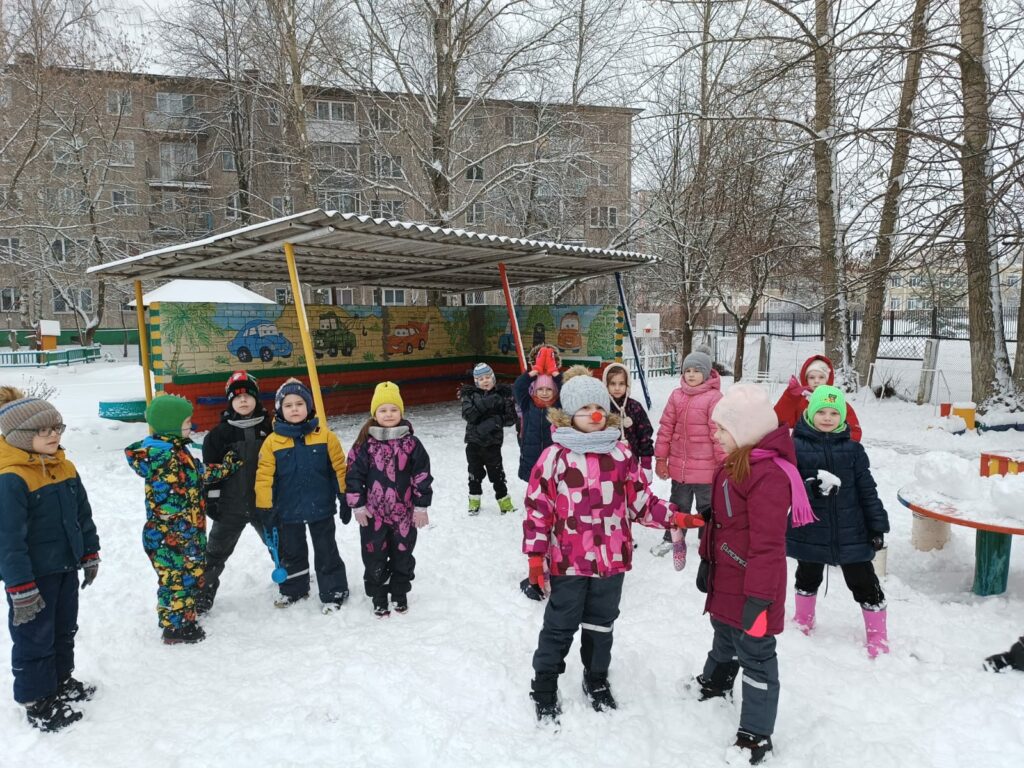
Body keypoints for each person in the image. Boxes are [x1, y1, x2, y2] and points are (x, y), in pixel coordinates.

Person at [523, 367, 705, 723]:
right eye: (583, 408)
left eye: (598, 407)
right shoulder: (554, 459)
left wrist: (675, 516)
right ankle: (544, 682)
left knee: (601, 623)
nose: (593, 415)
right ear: (567, 415)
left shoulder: (621, 455)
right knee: (560, 623)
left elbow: (640, 502)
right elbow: (537, 512)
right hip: (569, 561)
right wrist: (535, 557)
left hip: (611, 560)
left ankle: (596, 677)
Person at [695, 383, 814, 765]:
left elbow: (767, 546)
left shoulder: (769, 476)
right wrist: (705, 559)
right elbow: (721, 523)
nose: (715, 434)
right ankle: (716, 682)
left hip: (753, 585)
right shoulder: (737, 463)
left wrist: (760, 599)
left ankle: (756, 735)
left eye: (722, 429)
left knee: (757, 656)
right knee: (724, 634)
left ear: (744, 430)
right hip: (727, 576)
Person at [0, 388, 100, 732]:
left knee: (62, 629)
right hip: (32, 577)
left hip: (64, 568)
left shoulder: (64, 466)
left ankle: (59, 681)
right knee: (34, 637)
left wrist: (89, 552)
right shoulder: (11, 477)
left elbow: (81, 515)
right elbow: (7, 539)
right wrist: (20, 587)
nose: (55, 435)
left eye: (58, 427)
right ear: (22, 437)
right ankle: (37, 699)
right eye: (45, 430)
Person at [125, 394, 240, 644]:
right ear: (171, 425)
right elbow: (180, 495)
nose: (191, 426)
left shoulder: (174, 451)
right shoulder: (165, 458)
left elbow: (198, 472)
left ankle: (174, 618)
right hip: (172, 535)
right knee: (178, 579)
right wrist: (186, 537)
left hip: (182, 532)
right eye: (187, 422)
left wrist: (227, 467)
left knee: (178, 578)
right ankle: (177, 630)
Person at [787, 385, 890, 658]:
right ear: (810, 413)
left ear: (842, 416)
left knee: (864, 582)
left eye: (834, 412)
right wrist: (810, 487)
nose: (828, 417)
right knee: (807, 576)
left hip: (851, 530)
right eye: (821, 411)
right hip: (811, 528)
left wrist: (877, 525)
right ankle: (803, 622)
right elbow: (786, 486)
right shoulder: (795, 446)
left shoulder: (853, 450)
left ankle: (878, 636)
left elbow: (867, 489)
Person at [255, 378, 350, 613]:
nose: (294, 409)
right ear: (280, 410)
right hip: (287, 510)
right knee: (292, 552)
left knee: (326, 550)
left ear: (309, 407)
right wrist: (265, 508)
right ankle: (294, 589)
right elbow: (264, 477)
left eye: (299, 403)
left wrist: (344, 496)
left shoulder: (325, 437)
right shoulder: (271, 443)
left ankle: (334, 590)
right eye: (288, 405)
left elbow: (339, 468)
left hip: (321, 506)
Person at [345, 382, 433, 618]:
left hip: (404, 513)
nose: (388, 414)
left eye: (393, 410)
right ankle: (379, 595)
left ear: (401, 412)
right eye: (383, 410)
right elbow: (353, 474)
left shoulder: (411, 444)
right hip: (374, 514)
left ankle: (400, 592)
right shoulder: (365, 445)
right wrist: (358, 505)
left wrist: (421, 506)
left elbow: (422, 475)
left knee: (403, 554)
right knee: (374, 555)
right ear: (375, 414)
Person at [196, 371, 274, 612]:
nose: (243, 401)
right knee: (215, 553)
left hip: (264, 503)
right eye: (237, 397)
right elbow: (210, 475)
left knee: (281, 545)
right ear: (230, 401)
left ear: (256, 399)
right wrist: (213, 503)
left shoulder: (271, 428)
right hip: (230, 507)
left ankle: (293, 579)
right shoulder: (218, 436)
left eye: (248, 396)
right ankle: (203, 593)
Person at [652, 349, 725, 570]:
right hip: (680, 467)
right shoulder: (677, 396)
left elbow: (719, 434)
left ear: (707, 373)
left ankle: (709, 540)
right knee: (678, 504)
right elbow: (666, 429)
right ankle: (673, 537)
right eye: (687, 371)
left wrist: (725, 465)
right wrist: (661, 458)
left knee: (707, 506)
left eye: (696, 371)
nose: (691, 375)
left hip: (706, 469)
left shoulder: (714, 398)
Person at [460, 362, 516, 516]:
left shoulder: (502, 395)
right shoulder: (469, 395)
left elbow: (511, 418)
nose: (485, 381)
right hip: (474, 443)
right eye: (481, 378)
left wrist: (495, 421)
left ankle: (504, 502)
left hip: (493, 444)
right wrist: (487, 403)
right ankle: (474, 501)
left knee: (497, 474)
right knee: (474, 474)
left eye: (488, 377)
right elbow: (468, 415)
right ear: (476, 381)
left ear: (493, 378)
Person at [774, 354, 862, 441]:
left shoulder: (836, 401)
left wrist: (840, 447)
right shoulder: (799, 401)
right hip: (802, 450)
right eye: (812, 377)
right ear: (806, 379)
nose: (816, 381)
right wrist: (790, 397)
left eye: (821, 377)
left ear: (828, 379)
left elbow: (855, 432)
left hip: (830, 452)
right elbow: (779, 421)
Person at [512, 345, 561, 482]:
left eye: (549, 389)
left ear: (555, 391)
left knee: (552, 486)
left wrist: (553, 371)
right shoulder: (527, 404)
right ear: (534, 390)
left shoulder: (559, 405)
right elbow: (518, 386)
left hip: (553, 455)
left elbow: (568, 388)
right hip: (531, 456)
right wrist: (535, 370)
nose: (544, 393)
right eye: (540, 389)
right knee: (533, 488)